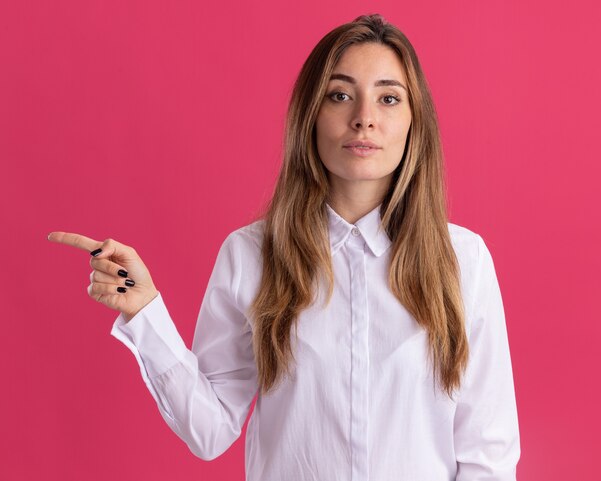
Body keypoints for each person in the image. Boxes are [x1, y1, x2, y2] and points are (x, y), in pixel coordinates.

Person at [48, 13, 520, 481]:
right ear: (310, 115)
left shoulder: (464, 262)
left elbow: (488, 455)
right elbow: (209, 430)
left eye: (389, 98)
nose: (364, 119)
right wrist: (144, 310)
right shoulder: (250, 255)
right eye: (340, 95)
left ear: (415, 123)